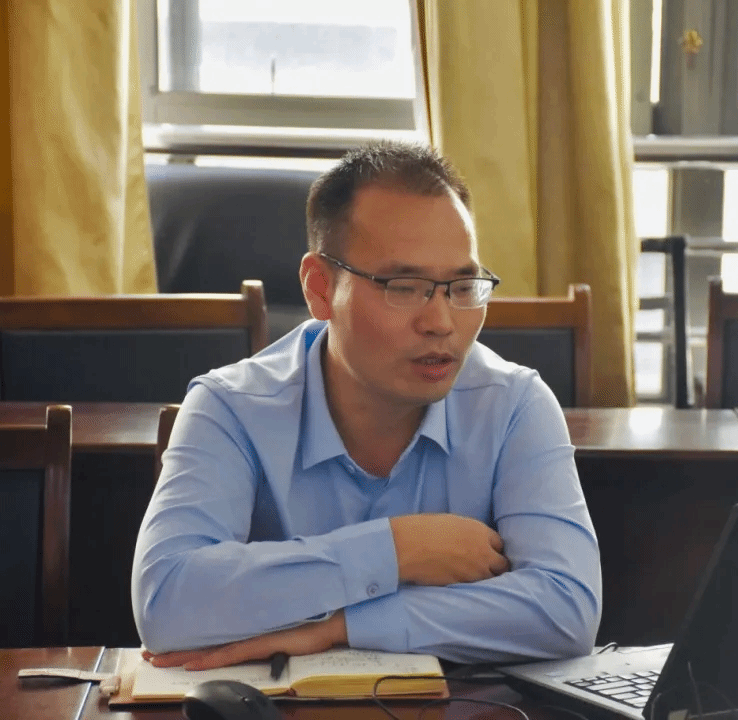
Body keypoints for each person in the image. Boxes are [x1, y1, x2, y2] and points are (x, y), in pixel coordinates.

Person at [131, 141, 602, 670]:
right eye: (404, 287)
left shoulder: (514, 404)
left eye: (462, 286)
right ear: (319, 288)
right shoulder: (230, 407)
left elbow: (567, 608)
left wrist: (339, 627)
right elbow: (166, 602)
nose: (441, 323)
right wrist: (398, 550)